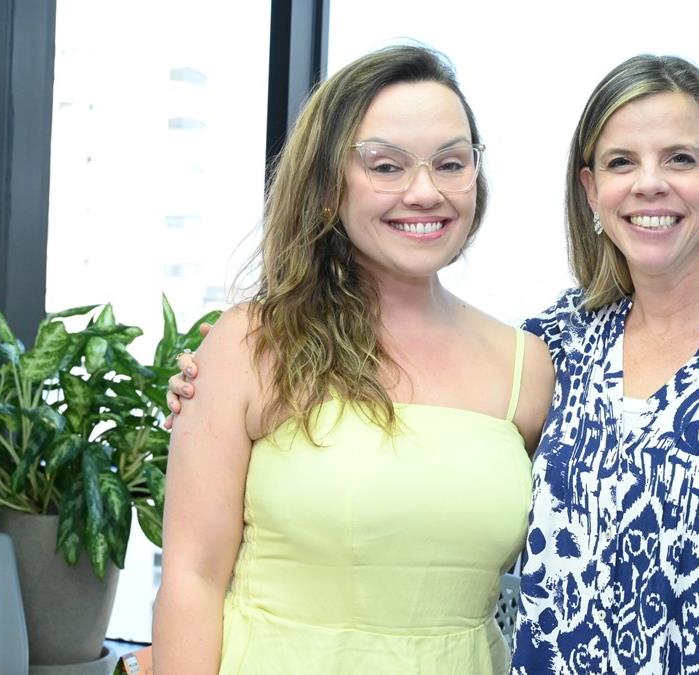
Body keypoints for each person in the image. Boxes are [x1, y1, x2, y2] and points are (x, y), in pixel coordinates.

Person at [170, 54, 699, 675]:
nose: (650, 184)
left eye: (681, 159)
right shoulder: (561, 346)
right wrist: (205, 396)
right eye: (621, 162)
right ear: (590, 189)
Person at [151, 44, 554, 675]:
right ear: (328, 182)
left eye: (451, 163)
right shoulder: (253, 345)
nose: (425, 192)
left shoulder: (526, 367)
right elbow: (192, 578)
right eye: (386, 166)